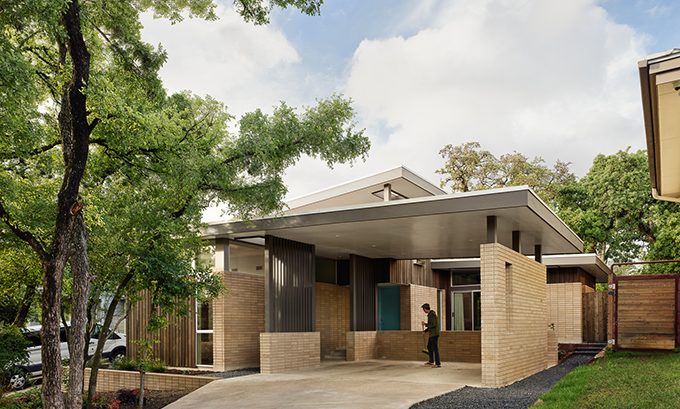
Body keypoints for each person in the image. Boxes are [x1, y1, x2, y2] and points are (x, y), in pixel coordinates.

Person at [421, 303, 441, 368]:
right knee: (429, 346)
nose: (423, 311)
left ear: (426, 309)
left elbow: (433, 324)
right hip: (432, 334)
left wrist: (425, 324)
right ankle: (431, 361)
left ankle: (438, 364)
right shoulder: (430, 314)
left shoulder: (432, 314)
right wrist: (425, 331)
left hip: (434, 334)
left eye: (423, 309)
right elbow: (431, 325)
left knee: (435, 348)